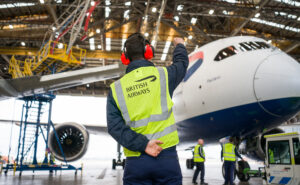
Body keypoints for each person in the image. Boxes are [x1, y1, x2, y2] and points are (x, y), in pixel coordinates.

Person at [106, 33, 189, 185]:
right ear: (148, 52)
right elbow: (182, 63)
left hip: (136, 162)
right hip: (166, 158)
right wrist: (180, 45)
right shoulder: (164, 75)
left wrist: (143, 145)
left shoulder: (116, 89)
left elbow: (114, 127)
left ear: (125, 57)